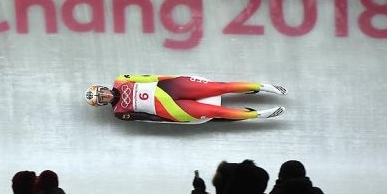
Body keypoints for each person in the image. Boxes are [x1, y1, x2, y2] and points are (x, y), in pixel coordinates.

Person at [85, 74, 286, 122]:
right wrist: (171, 120)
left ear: (103, 87)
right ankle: (257, 114)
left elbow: (153, 77)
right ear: (102, 104)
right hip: (170, 110)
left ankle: (263, 87)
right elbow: (147, 118)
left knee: (219, 87)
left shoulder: (121, 80)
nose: (104, 96)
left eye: (101, 92)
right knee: (214, 112)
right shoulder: (119, 113)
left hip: (172, 86)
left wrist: (177, 77)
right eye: (101, 99)